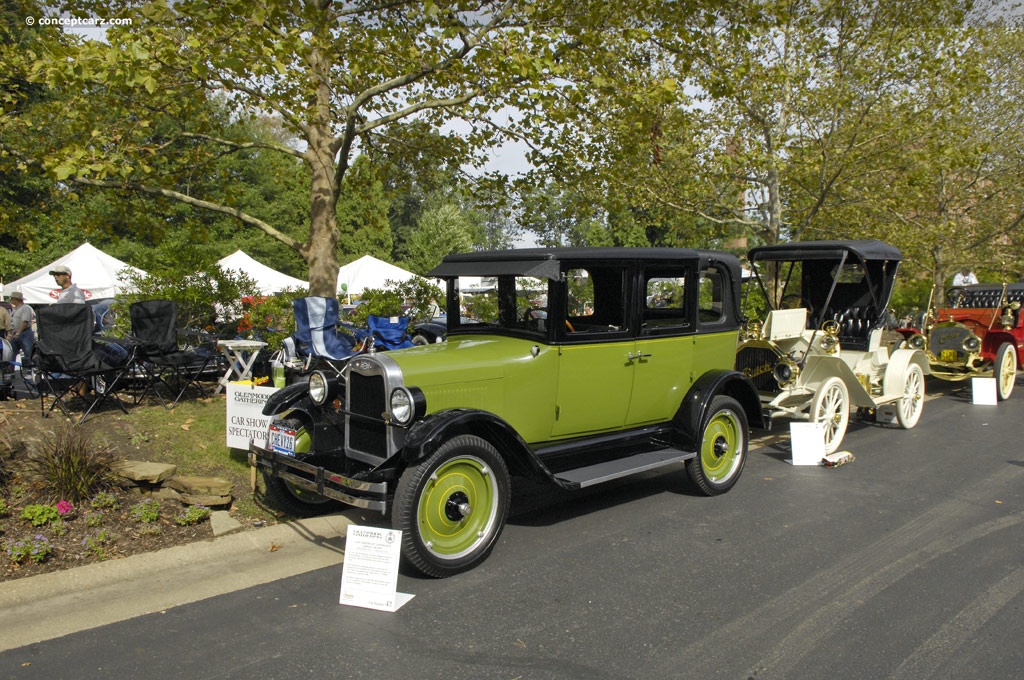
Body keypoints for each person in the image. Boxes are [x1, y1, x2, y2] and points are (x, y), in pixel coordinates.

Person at [9, 291, 34, 371]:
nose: (11, 300)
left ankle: (30, 371)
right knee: (11, 353)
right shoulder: (15, 309)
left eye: (12, 299)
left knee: (27, 352)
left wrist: (18, 332)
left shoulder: (25, 308)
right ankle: (10, 370)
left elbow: (24, 321)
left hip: (25, 333)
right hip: (15, 332)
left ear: (16, 299)